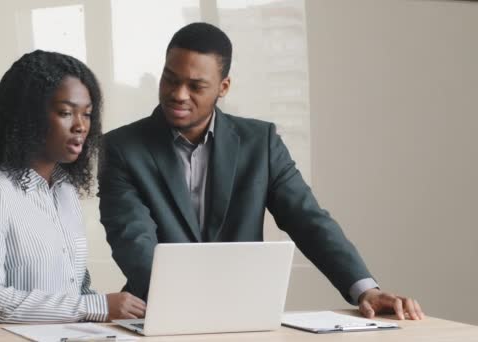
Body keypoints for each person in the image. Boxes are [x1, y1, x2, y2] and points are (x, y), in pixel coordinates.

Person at [98, 23, 424, 320]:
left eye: (196, 86)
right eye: (170, 78)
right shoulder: (122, 148)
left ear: (223, 87)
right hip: (158, 313)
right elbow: (132, 237)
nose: (178, 94)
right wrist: (194, 304)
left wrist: (365, 289)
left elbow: (308, 219)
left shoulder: (260, 143)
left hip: (247, 314)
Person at [0, 50, 145, 323]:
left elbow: (75, 293)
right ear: (27, 116)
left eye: (87, 114)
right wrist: (98, 306)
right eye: (66, 112)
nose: (80, 126)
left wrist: (119, 315)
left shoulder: (65, 191)